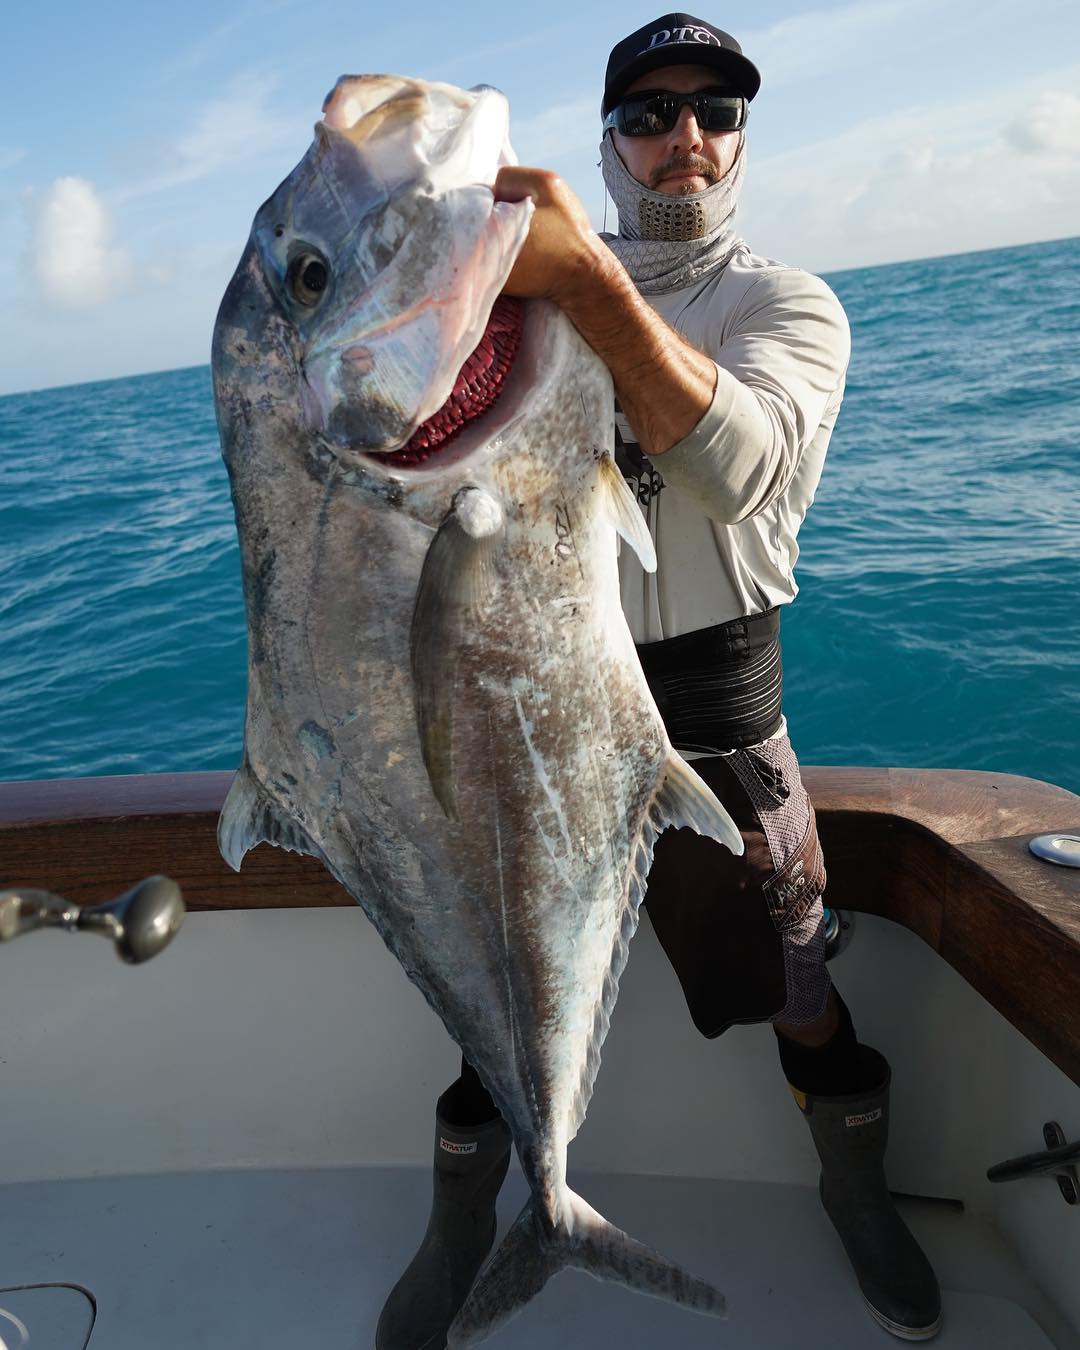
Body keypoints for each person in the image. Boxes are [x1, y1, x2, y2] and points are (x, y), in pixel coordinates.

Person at [377, 14, 942, 1348]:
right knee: (493, 1007)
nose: (683, 132)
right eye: (649, 111)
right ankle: (469, 1217)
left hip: (721, 724)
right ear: (610, 142)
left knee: (796, 989)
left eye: (715, 109)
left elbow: (739, 464)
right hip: (540, 712)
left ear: (740, 137)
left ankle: (853, 1183)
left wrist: (582, 282)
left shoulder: (787, 306)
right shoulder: (519, 308)